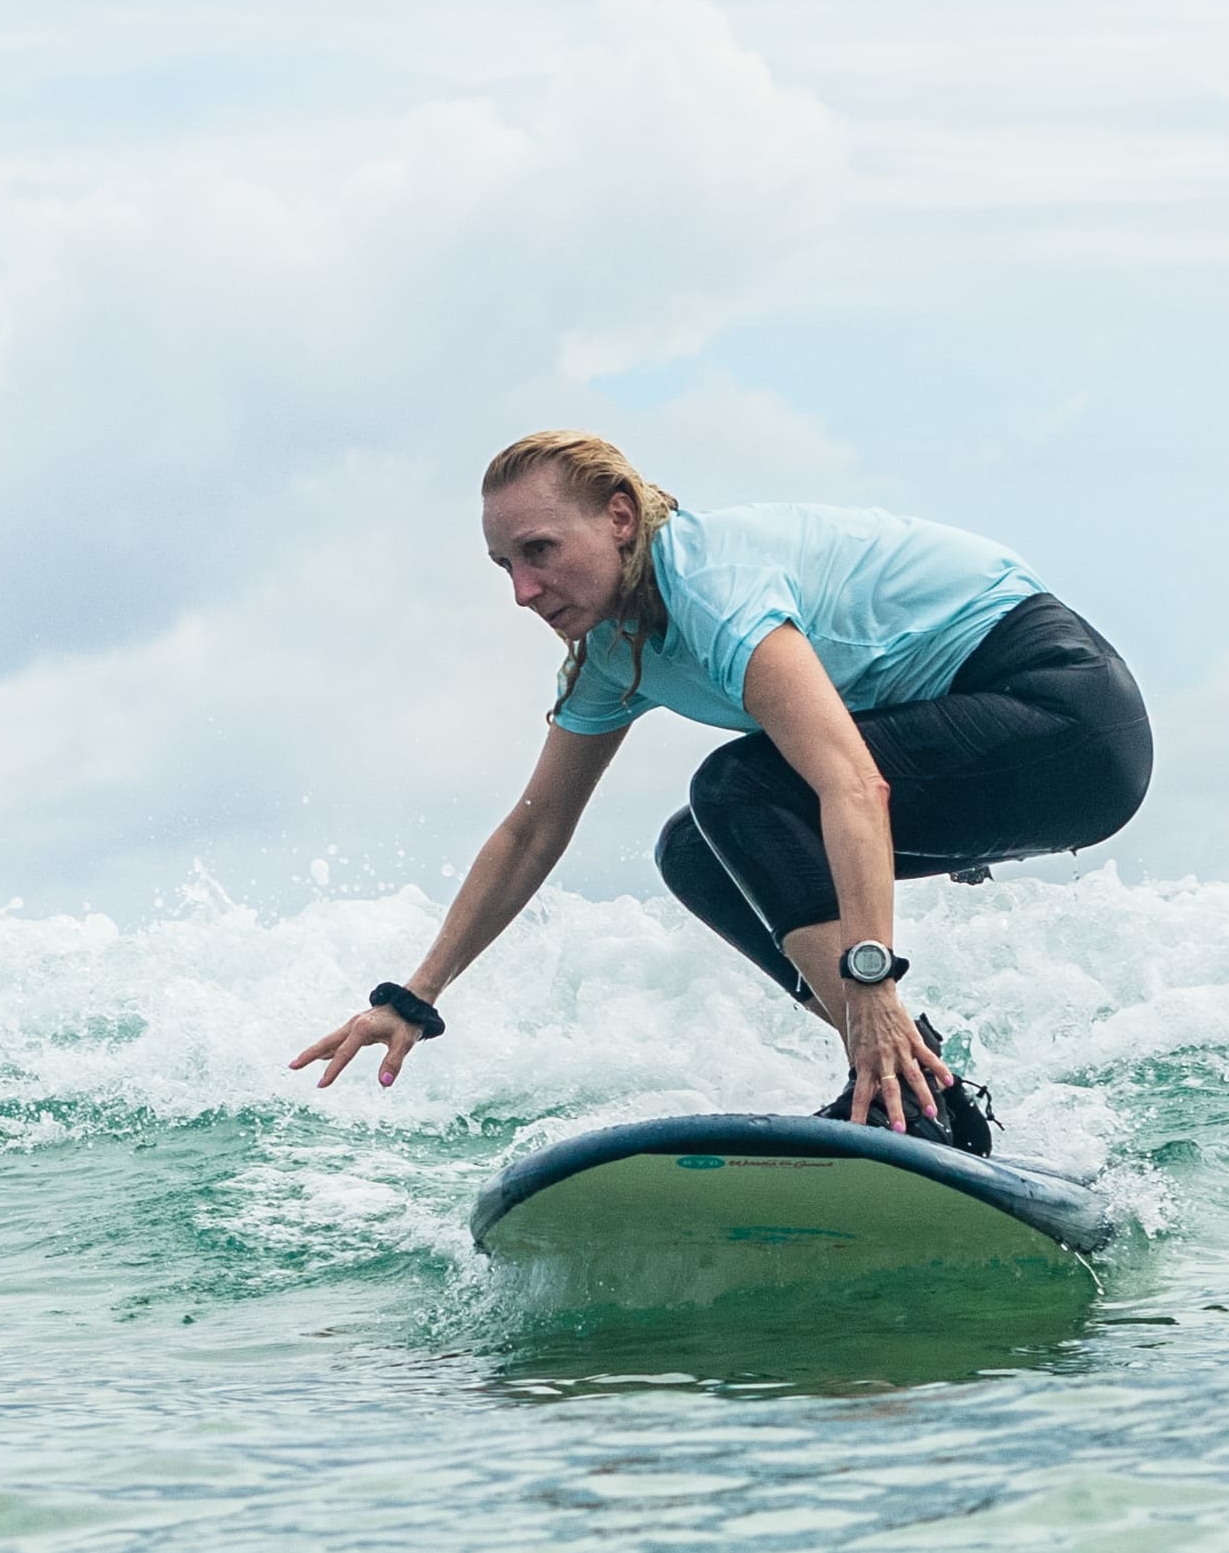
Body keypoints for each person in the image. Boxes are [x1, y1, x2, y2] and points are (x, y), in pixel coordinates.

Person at [290, 432, 1153, 1149]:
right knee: (693, 851)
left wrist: (870, 975)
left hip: (1064, 718)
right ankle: (916, 1085)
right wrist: (415, 996)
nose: (522, 591)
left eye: (540, 551)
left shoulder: (710, 586)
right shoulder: (616, 651)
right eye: (504, 564)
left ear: (619, 518)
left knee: (738, 789)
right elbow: (532, 831)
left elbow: (850, 782)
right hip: (982, 731)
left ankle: (903, 1089)